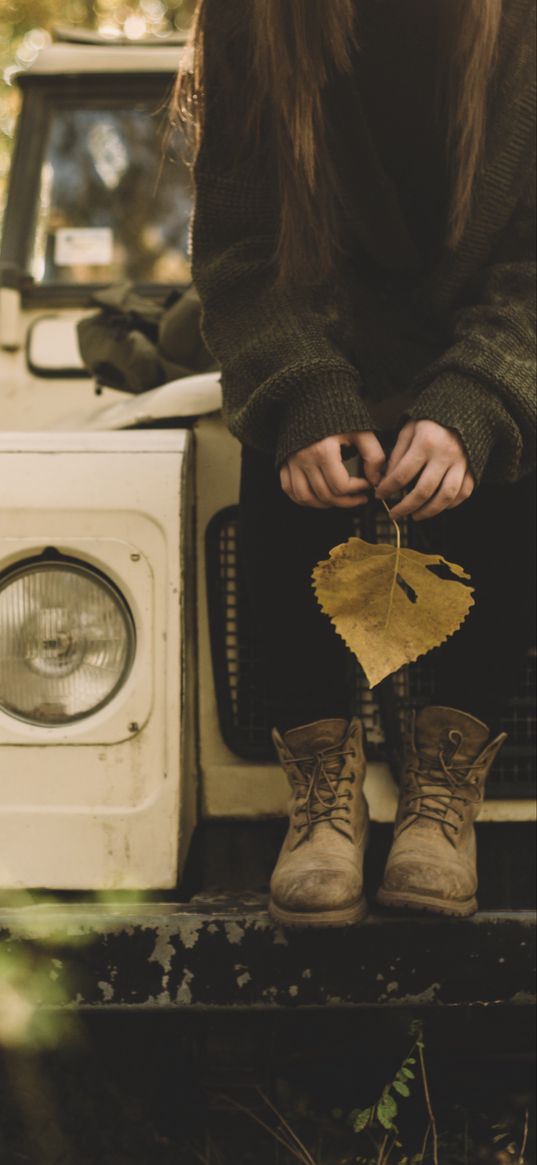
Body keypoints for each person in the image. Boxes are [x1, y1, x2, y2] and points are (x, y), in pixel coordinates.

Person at [177, 0, 536, 926]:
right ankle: (322, 790)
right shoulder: (253, 16)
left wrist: (472, 402)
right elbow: (240, 248)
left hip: (492, 326)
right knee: (273, 447)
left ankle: (442, 786)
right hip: (318, 318)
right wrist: (302, 396)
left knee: (499, 452)